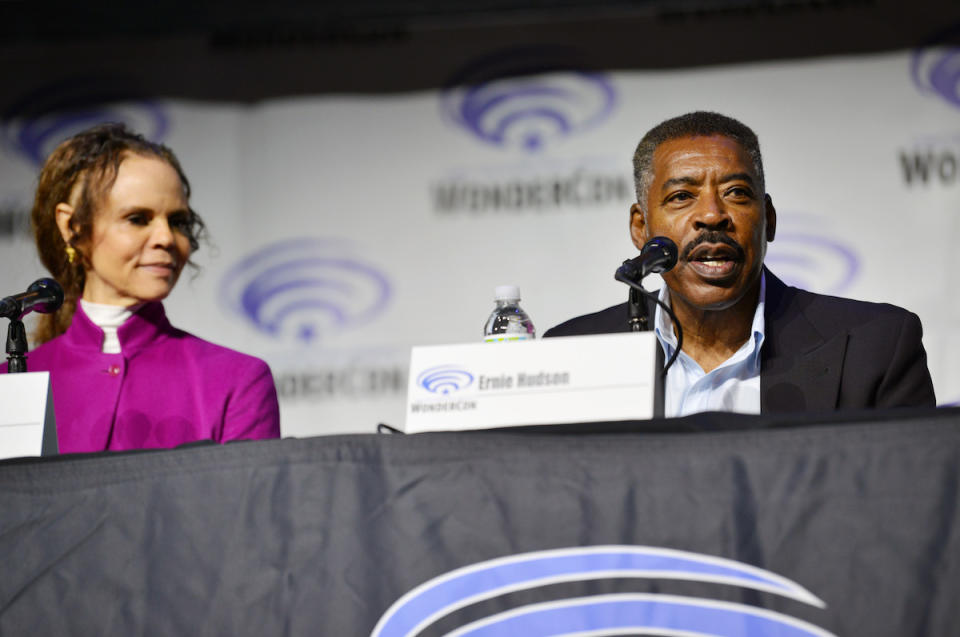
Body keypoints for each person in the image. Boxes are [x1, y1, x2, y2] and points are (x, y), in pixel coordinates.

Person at [545, 111, 936, 415]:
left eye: (736, 192)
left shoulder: (875, 347)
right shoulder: (570, 354)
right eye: (682, 196)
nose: (712, 215)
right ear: (640, 227)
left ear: (769, 219)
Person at [5, 123, 281, 452]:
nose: (166, 238)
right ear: (72, 226)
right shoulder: (10, 385)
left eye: (177, 222)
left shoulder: (236, 381)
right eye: (138, 218)